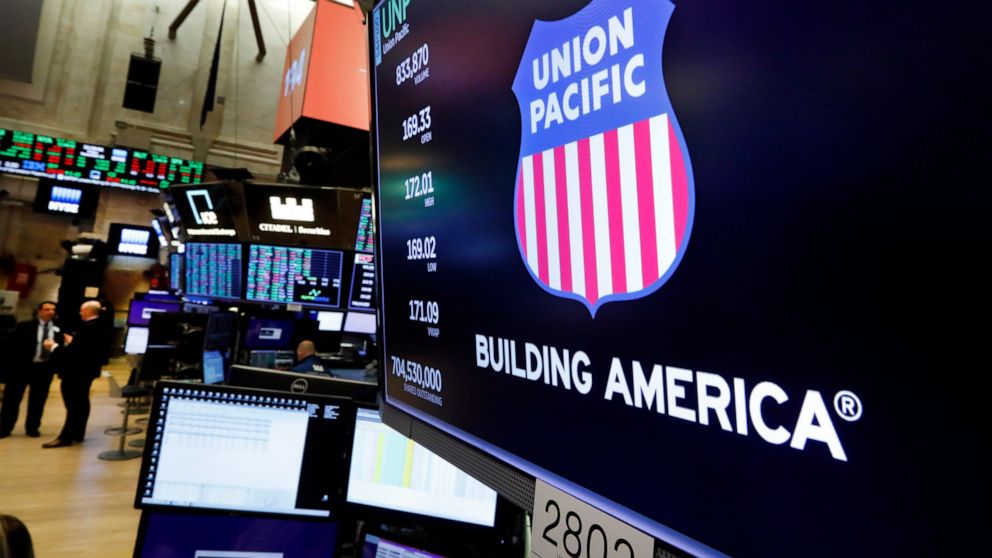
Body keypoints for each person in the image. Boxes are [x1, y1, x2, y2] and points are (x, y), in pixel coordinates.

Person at [41, 300, 109, 448]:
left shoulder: (89, 328)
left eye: (82, 310)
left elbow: (76, 353)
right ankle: (78, 432)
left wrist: (54, 347)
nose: (80, 313)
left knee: (73, 404)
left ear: (89, 310)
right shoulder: (99, 326)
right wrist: (74, 342)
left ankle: (66, 437)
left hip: (77, 372)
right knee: (82, 402)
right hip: (87, 371)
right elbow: (87, 347)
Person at [0, 301, 62, 439]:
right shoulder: (24, 326)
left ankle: (32, 427)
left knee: (38, 400)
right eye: (47, 309)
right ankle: (5, 427)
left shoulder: (58, 328)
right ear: (40, 311)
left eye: (53, 309)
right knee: (12, 399)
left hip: (43, 369)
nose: (50, 312)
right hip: (21, 368)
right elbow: (12, 348)